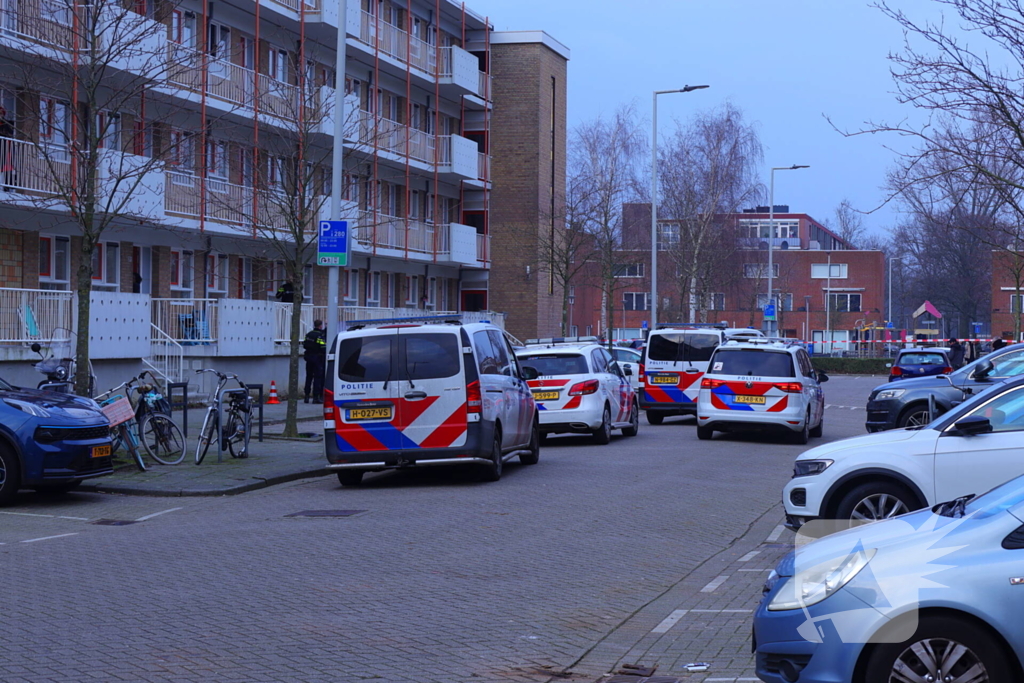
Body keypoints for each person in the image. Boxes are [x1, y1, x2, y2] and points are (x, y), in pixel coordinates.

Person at [302, 319, 327, 403]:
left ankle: (306, 396)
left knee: (309, 377)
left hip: (309, 358)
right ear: (320, 326)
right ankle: (316, 397)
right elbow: (323, 347)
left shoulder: (309, 334)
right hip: (318, 359)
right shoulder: (320, 336)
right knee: (317, 378)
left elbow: (305, 345)